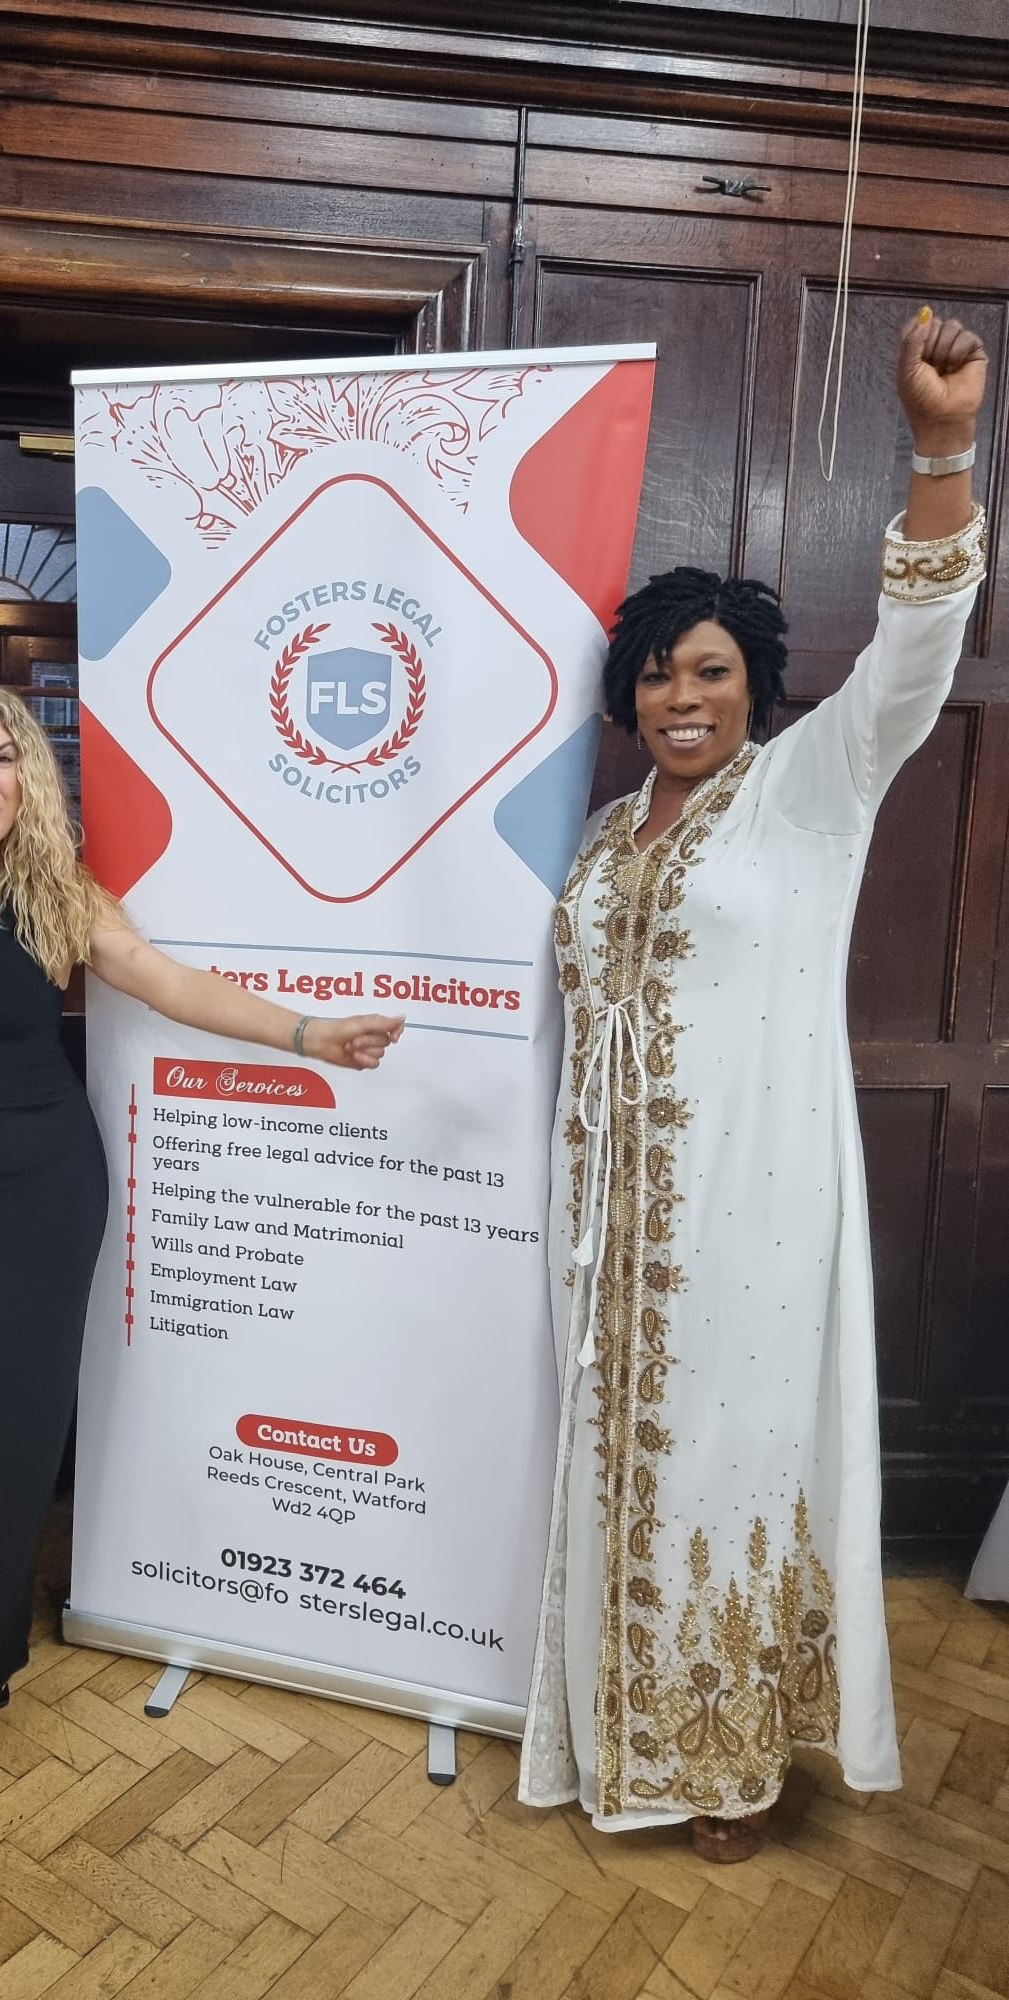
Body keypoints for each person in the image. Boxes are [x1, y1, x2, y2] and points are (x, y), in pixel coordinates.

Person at [517, 311, 988, 1861]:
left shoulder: (812, 789)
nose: (680, 699)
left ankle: (729, 1765)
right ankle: (615, 1738)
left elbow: (918, 649)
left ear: (759, 681)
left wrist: (939, 455)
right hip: (611, 1233)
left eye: (710, 671)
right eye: (655, 678)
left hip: (752, 1219)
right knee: (620, 1473)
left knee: (726, 1467)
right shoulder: (600, 838)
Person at [0, 680, 402, 1817]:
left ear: (30, 778)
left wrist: (307, 1033)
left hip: (49, 1186)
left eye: (4, 757)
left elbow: (167, 981)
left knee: (10, 1444)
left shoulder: (56, 893)